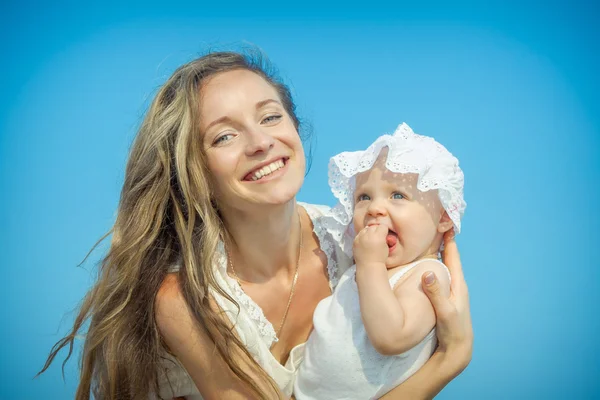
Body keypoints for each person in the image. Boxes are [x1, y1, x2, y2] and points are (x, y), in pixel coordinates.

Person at [38, 51, 473, 400]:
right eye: (224, 136)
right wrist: (450, 359)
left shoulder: (352, 239)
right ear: (193, 173)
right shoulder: (184, 297)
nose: (261, 143)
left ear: (294, 126)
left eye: (270, 117)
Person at [295, 123, 466, 399]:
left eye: (398, 195)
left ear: (444, 217)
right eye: (363, 197)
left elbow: (392, 337)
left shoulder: (427, 275)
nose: (374, 208)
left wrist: (371, 266)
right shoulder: (361, 266)